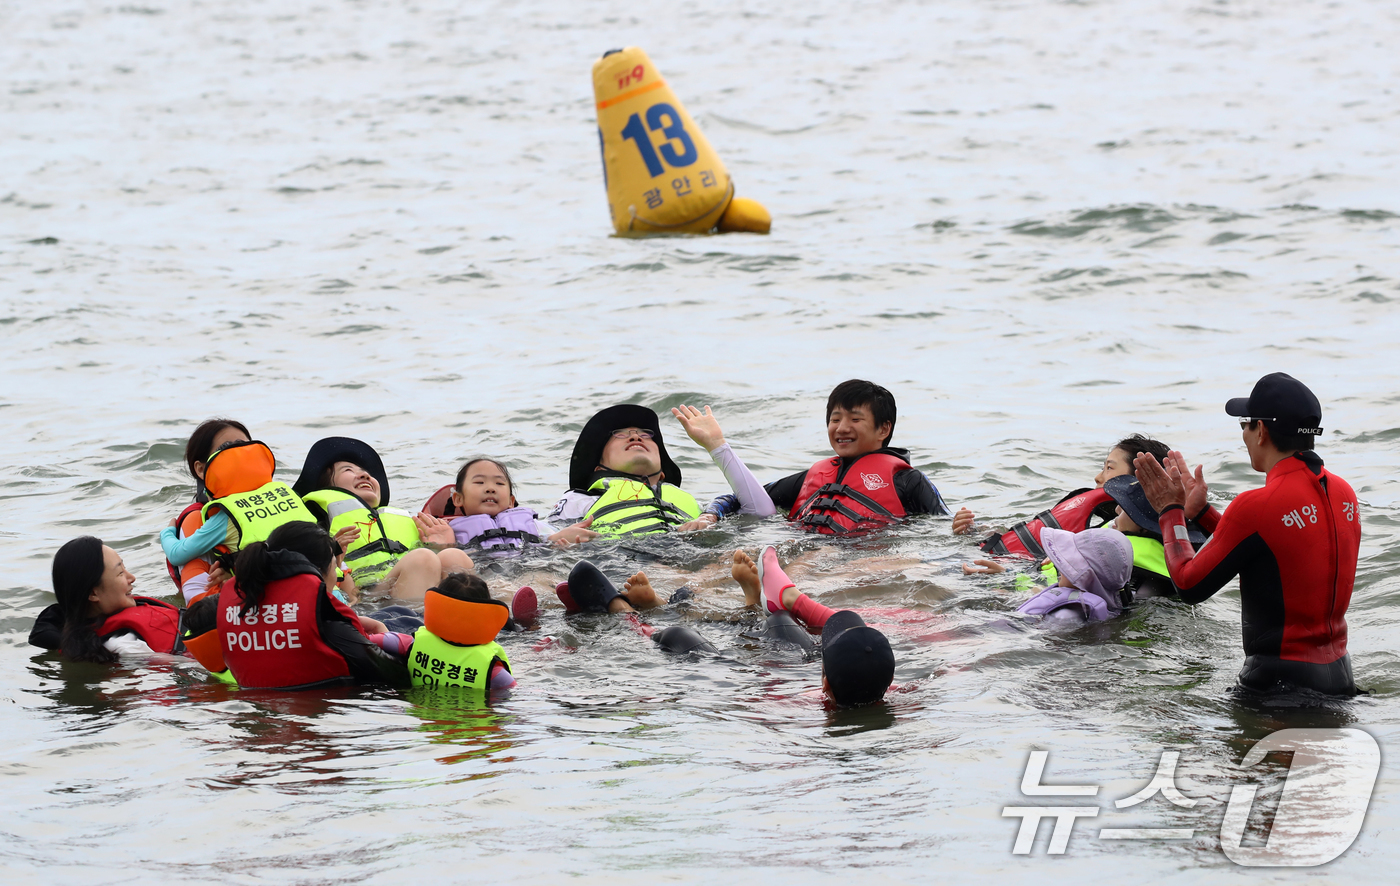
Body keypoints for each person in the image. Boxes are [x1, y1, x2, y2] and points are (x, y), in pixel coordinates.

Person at [1133, 372, 1361, 696]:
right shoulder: (1343, 493)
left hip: (1277, 688)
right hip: (1339, 680)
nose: (1243, 434)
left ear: (1262, 430)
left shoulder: (1256, 506)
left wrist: (1169, 510)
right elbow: (1273, 544)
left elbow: (1188, 584)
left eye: (1245, 424)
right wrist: (1200, 514)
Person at [702, 380, 974, 535]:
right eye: (835, 419)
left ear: (883, 428)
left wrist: (964, 529)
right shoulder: (812, 477)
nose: (841, 428)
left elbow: (943, 523)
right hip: (804, 551)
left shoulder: (907, 480)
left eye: (855, 419)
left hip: (862, 561)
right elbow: (741, 498)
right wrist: (711, 515)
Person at [217, 522, 408, 690]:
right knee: (398, 616)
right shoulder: (325, 617)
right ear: (318, 571)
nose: (335, 574)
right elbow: (391, 674)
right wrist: (385, 637)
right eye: (335, 567)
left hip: (260, 709)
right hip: (329, 712)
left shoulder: (229, 602)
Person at [546, 403, 774, 538]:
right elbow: (540, 542)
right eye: (620, 435)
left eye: (645, 434)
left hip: (689, 563)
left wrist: (716, 445)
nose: (635, 436)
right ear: (598, 468)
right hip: (624, 566)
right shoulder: (580, 501)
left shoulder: (694, 507)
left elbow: (763, 513)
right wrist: (555, 539)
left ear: (662, 473)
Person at [293, 437, 474, 601]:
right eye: (348, 470)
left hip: (408, 586)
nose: (365, 475)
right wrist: (331, 552)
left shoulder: (400, 519)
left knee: (454, 556)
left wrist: (442, 545)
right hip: (365, 597)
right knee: (422, 558)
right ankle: (412, 629)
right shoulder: (317, 520)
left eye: (366, 472)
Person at [161, 439, 321, 602]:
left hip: (276, 597)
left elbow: (177, 554)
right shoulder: (288, 496)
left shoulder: (227, 515)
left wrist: (167, 532)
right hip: (321, 583)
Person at [736, 546, 895, 706]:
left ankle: (753, 604)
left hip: (793, 659)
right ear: (890, 682)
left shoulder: (807, 704)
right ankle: (776, 603)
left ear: (825, 685)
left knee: (779, 620)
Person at [978, 433, 1170, 559]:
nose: (1098, 477)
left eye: (1109, 468)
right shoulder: (1100, 526)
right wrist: (977, 531)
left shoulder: (1113, 549)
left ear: (1140, 479)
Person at [30, 537, 185, 662]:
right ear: (93, 594)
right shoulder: (123, 647)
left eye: (124, 568)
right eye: (120, 573)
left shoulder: (79, 621)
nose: (132, 577)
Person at [163, 418, 251, 602]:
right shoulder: (198, 521)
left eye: (245, 447)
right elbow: (197, 600)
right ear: (201, 469)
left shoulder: (279, 499)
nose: (240, 455)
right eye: (227, 448)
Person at [405, 573, 516, 694]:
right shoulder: (492, 670)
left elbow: (382, 639)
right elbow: (515, 692)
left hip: (419, 709)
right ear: (486, 615)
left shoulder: (413, 643)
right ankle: (522, 621)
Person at [423, 458, 560, 554]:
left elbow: (551, 539)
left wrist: (565, 538)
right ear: (458, 499)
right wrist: (445, 546)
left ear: (511, 502)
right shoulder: (451, 532)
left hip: (529, 565)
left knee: (542, 576)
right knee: (453, 557)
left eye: (499, 484)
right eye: (479, 482)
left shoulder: (533, 524)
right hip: (484, 574)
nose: (490, 489)